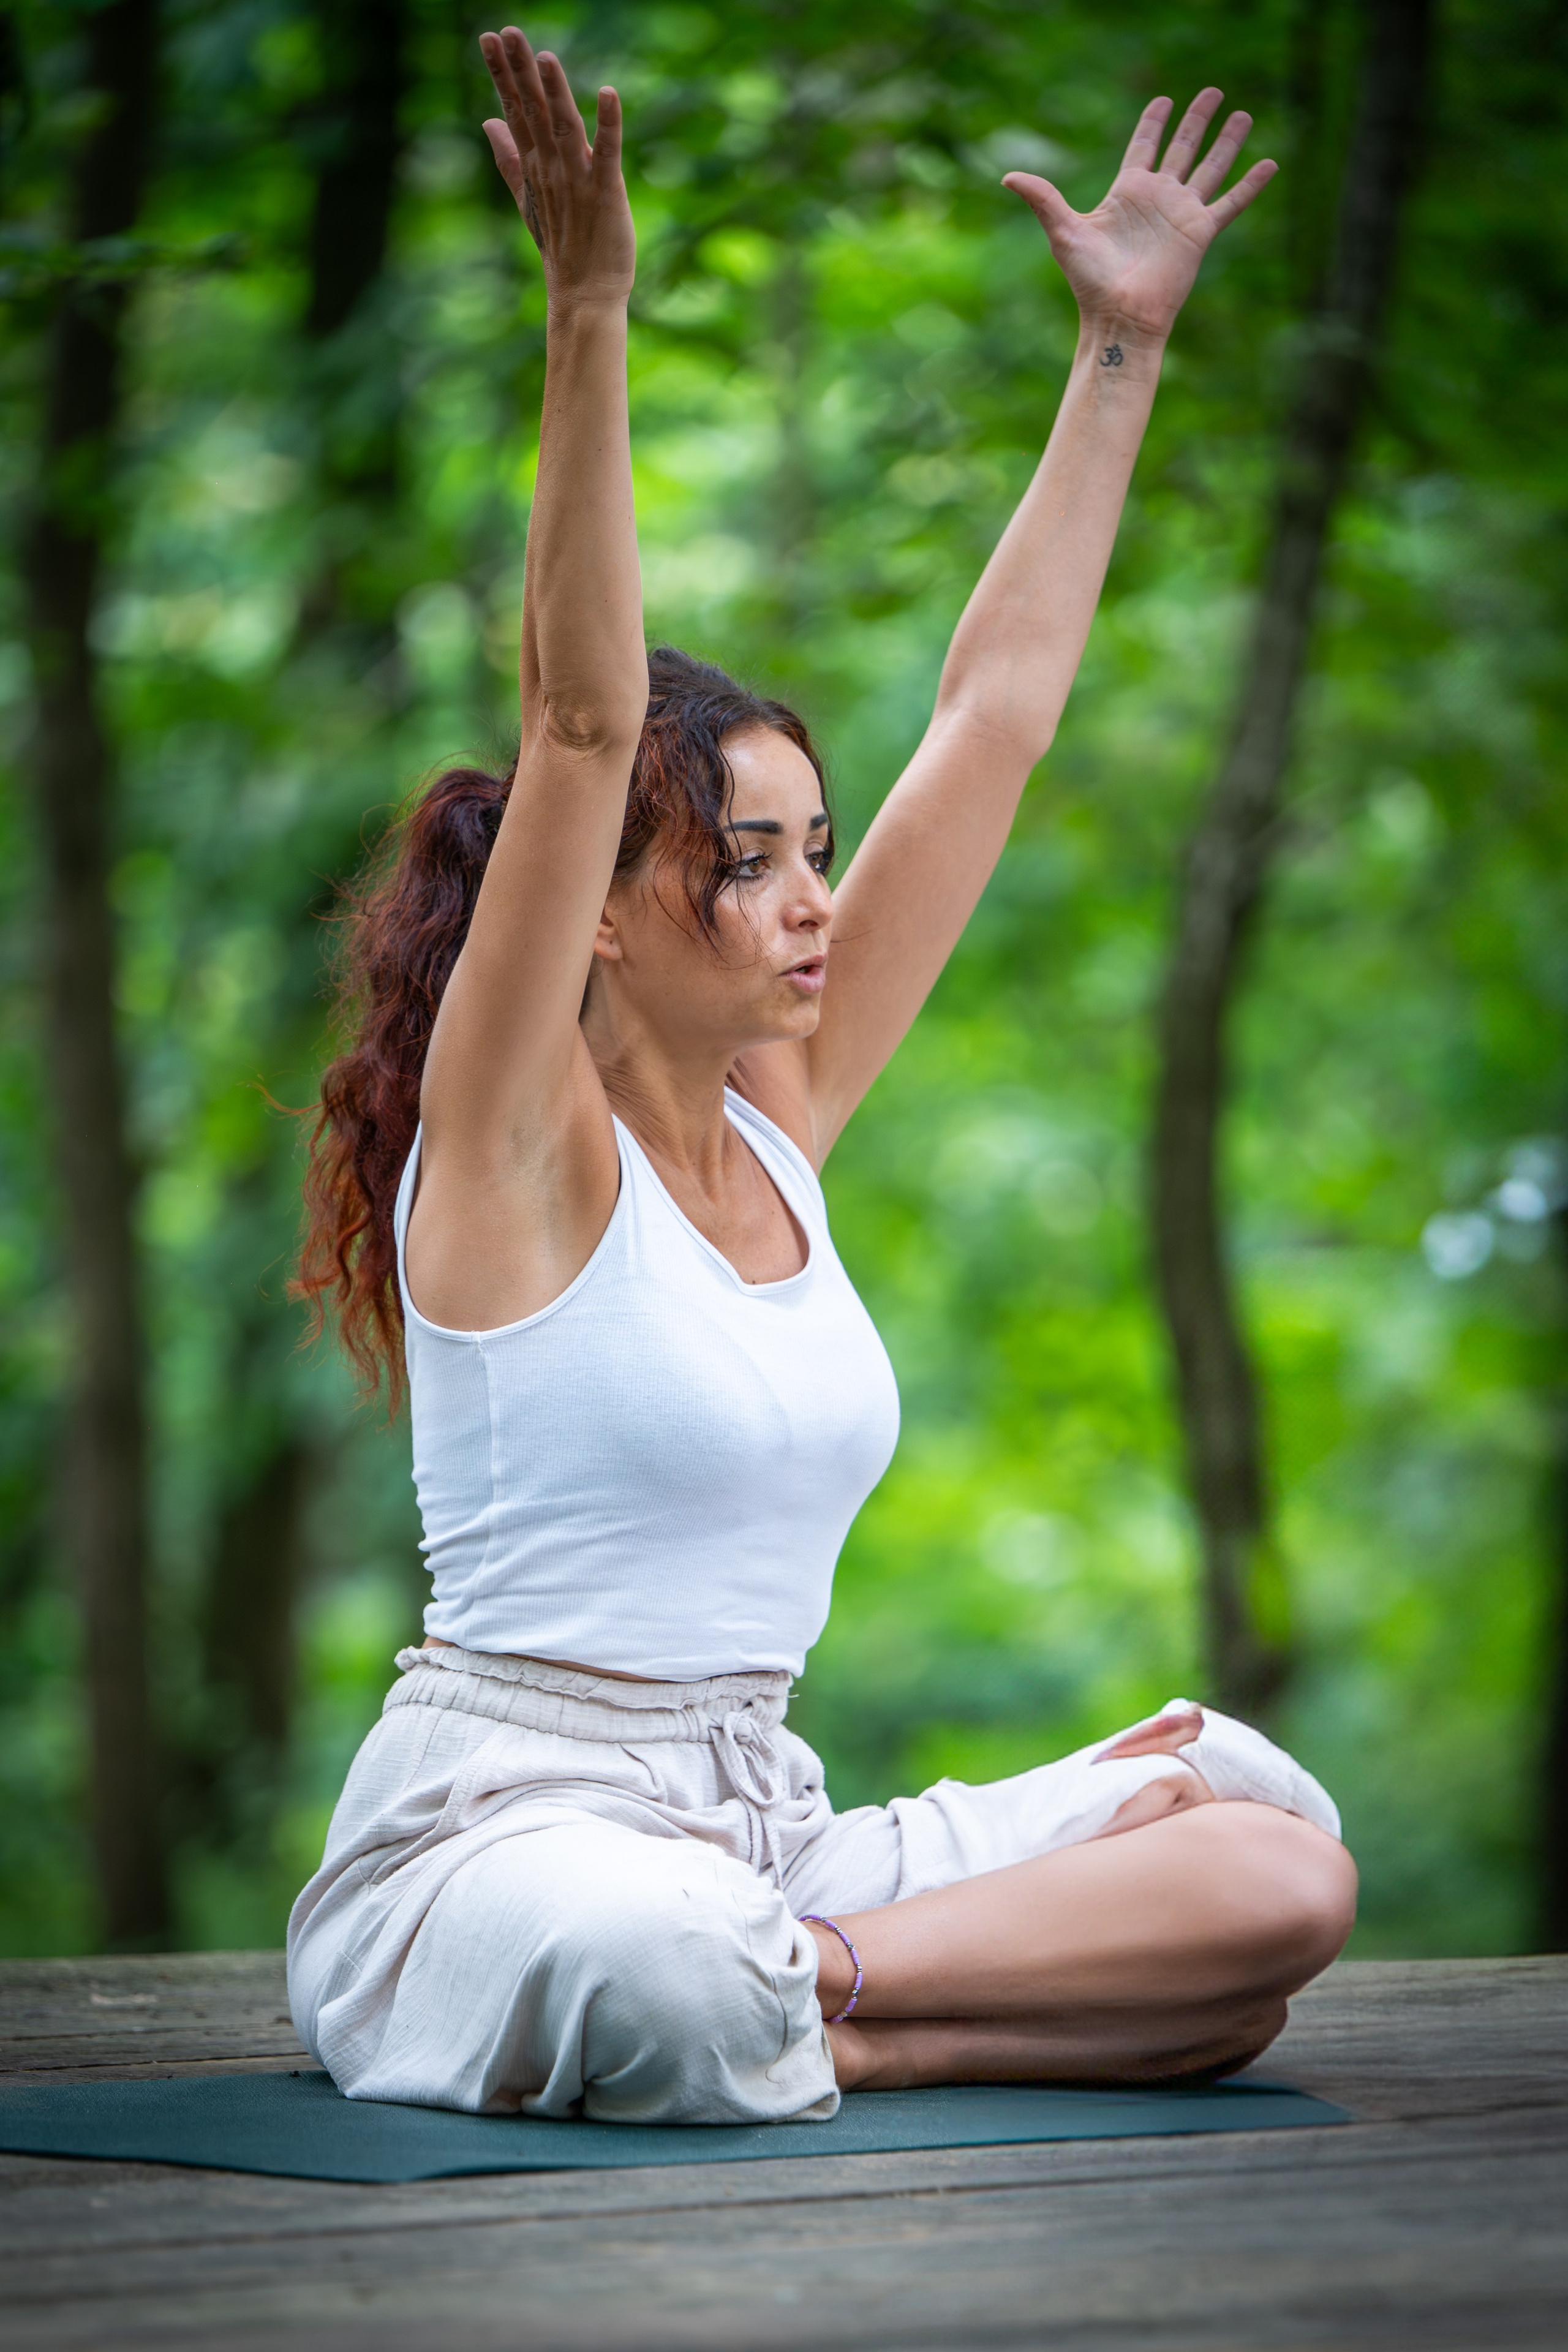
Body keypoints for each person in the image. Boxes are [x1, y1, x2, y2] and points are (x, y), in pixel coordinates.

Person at [285, 26, 1356, 2125]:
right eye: (748, 860)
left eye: (817, 848)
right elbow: (581, 722)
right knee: (668, 1964)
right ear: (602, 913)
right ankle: (886, 2009)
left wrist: (1121, 351)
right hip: (511, 1850)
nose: (811, 901)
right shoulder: (513, 1148)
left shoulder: (779, 1124)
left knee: (1268, 1840)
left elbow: (1000, 712)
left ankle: (834, 2006)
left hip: (773, 1839)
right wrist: (588, 312)